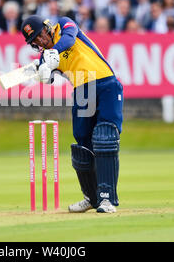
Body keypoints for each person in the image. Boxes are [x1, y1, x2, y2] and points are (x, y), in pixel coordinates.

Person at [20, 15, 124, 213]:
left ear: (46, 27)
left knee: (106, 138)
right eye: (35, 41)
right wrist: (44, 72)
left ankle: (107, 199)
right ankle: (91, 198)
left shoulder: (63, 24)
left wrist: (52, 53)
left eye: (40, 35)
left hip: (106, 83)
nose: (40, 41)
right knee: (83, 144)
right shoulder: (46, 57)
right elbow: (48, 76)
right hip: (82, 91)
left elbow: (68, 39)